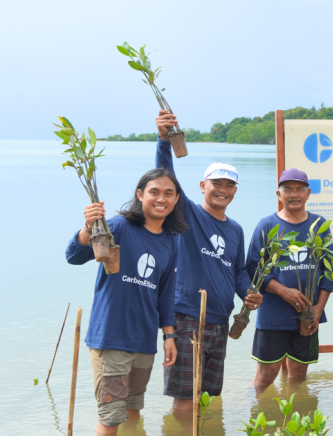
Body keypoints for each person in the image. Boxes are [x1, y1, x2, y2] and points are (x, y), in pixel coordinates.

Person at [65, 169, 188, 435]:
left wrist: (169, 336)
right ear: (140, 194)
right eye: (154, 191)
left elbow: (165, 293)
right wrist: (88, 227)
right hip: (112, 336)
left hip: (144, 340)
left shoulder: (171, 241)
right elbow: (74, 256)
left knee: (133, 409)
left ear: (176, 199)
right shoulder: (119, 227)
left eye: (169, 193)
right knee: (111, 416)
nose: (161, 198)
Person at [155, 110, 262, 410]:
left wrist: (247, 292)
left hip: (220, 321)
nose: (223, 190)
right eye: (217, 183)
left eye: (229, 185)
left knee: (209, 398)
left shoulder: (235, 229)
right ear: (203, 186)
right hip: (188, 318)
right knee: (185, 399)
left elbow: (238, 270)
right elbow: (165, 176)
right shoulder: (187, 213)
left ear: (235, 191)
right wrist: (164, 141)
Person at [247, 168, 333, 390]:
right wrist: (283, 291)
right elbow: (253, 267)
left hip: (307, 315)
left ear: (308, 193)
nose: (294, 194)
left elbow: (329, 273)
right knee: (267, 374)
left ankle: (295, 419)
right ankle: (261, 419)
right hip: (273, 315)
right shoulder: (266, 226)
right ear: (279, 194)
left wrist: (317, 309)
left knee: (299, 373)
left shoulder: (319, 226)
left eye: (299, 189)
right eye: (288, 189)